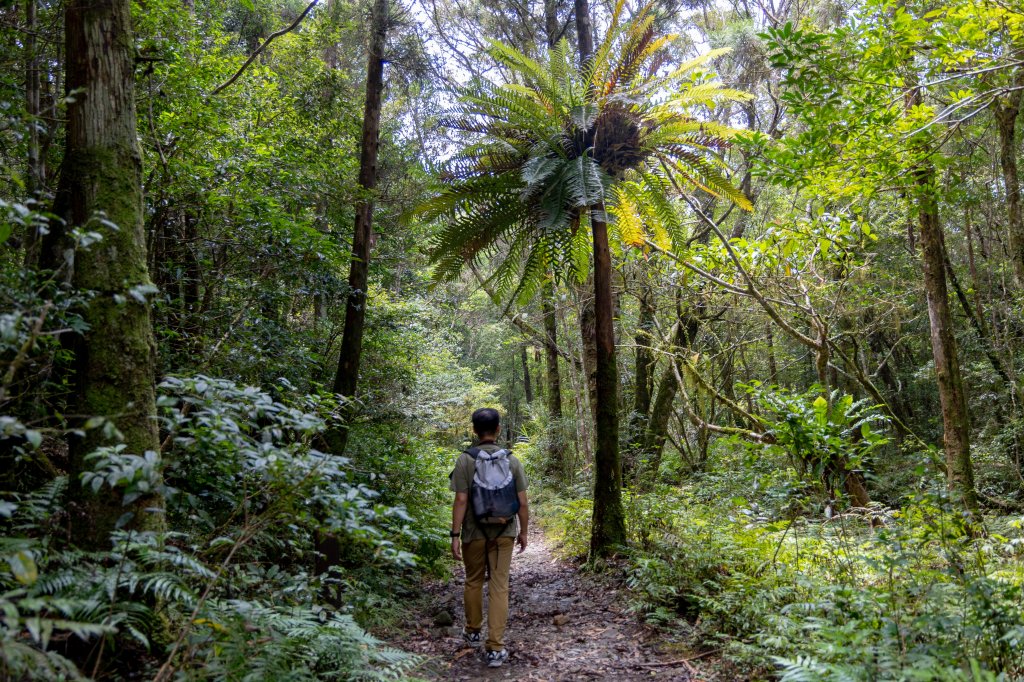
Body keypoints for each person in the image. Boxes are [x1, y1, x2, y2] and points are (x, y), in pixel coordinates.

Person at [449, 408, 529, 668]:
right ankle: (495, 648)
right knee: (499, 586)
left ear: (474, 430)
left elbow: (460, 500)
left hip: (473, 532)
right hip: (504, 533)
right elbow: (523, 502)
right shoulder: (513, 460)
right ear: (498, 430)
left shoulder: (465, 460)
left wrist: (455, 535)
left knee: (473, 581)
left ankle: (472, 631)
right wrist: (524, 531)